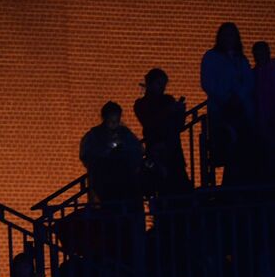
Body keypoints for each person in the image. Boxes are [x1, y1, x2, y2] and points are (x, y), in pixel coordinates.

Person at [199, 23, 254, 185]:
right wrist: (226, 97)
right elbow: (208, 82)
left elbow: (249, 82)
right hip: (221, 109)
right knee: (227, 146)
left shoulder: (241, 59)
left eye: (232, 35)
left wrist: (240, 96)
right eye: (226, 35)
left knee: (242, 148)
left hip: (241, 108)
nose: (229, 39)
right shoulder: (211, 57)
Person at [133, 69, 189, 197]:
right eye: (159, 84)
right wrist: (168, 111)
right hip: (157, 151)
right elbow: (150, 122)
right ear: (150, 84)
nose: (162, 88)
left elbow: (179, 126)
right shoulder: (141, 104)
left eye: (164, 84)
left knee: (180, 188)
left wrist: (180, 113)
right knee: (163, 189)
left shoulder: (168, 100)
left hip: (173, 150)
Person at [78, 102, 141, 206]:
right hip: (104, 179)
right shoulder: (94, 134)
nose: (114, 123)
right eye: (111, 120)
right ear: (105, 117)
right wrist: (105, 153)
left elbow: (136, 150)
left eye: (116, 120)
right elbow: (87, 155)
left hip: (125, 179)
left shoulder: (125, 134)